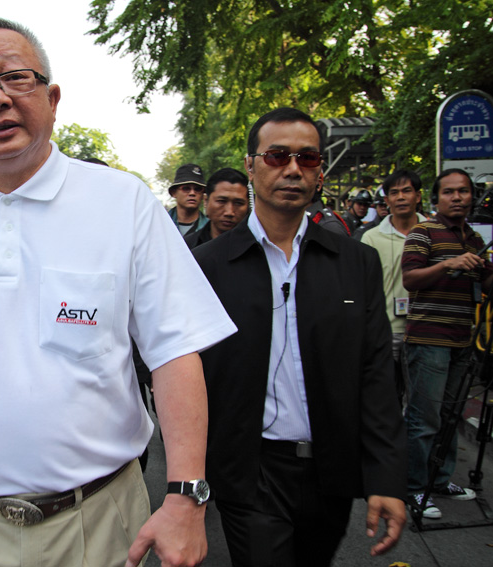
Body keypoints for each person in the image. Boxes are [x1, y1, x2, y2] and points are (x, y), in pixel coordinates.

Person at [0, 17, 237, 567]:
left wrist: (186, 496)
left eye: (16, 77)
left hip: (99, 524)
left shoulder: (123, 203)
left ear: (53, 99)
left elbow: (175, 353)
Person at [193, 107, 407, 566]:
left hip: (331, 472)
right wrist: (187, 482)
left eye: (307, 158)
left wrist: (386, 477)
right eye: (277, 156)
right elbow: (186, 376)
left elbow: (375, 374)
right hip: (248, 472)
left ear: (320, 172)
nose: (293, 169)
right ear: (251, 166)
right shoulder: (206, 266)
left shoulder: (355, 262)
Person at [401, 168, 493, 519]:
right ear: (436, 198)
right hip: (429, 339)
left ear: (473, 197)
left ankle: (439, 480)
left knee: (451, 415)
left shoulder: (474, 238)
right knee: (424, 418)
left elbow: (487, 283)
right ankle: (413, 488)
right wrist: (449, 264)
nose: (457, 198)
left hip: (462, 338)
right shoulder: (423, 232)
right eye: (449, 192)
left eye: (463, 191)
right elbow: (410, 279)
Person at [360, 170, 426, 400]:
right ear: (387, 200)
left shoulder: (434, 233)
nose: (401, 197)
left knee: (420, 401)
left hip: (424, 332)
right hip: (385, 331)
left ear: (418, 196)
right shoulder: (371, 238)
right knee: (385, 398)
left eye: (407, 191)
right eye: (394, 193)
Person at [184, 167, 249, 249]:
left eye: (238, 203)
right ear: (206, 201)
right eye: (222, 201)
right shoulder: (186, 247)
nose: (229, 212)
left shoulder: (259, 246)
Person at [167, 163, 209, 236]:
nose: (192, 193)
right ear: (174, 193)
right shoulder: (160, 224)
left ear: (203, 195)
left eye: (198, 189)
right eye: (186, 188)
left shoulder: (210, 229)